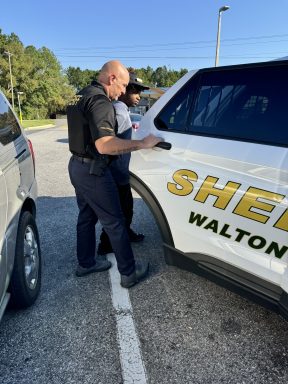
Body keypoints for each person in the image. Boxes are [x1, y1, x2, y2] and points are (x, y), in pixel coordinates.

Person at [67, 60, 162, 288]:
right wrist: (143, 144)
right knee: (115, 221)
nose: (122, 92)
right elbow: (105, 145)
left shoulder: (80, 95)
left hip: (77, 166)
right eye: (123, 85)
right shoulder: (100, 101)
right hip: (93, 169)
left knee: (87, 217)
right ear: (111, 78)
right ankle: (129, 272)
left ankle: (86, 263)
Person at [97, 72, 149, 256]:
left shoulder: (121, 109)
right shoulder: (119, 109)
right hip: (116, 173)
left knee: (125, 209)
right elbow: (108, 141)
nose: (138, 96)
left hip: (119, 172)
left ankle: (125, 234)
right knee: (119, 212)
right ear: (125, 90)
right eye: (135, 91)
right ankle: (105, 245)